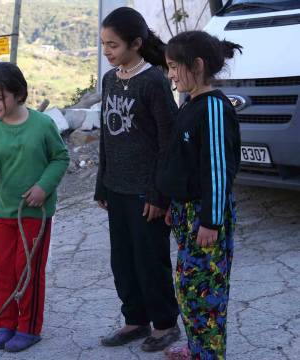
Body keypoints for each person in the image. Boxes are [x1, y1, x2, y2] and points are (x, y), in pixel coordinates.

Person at [94, 6, 180, 352]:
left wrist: (160, 195)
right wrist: (102, 183)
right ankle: (134, 320)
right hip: (116, 189)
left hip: (147, 193)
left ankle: (164, 324)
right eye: (103, 44)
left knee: (150, 260)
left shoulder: (154, 82)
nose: (107, 51)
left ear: (136, 43)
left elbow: (168, 142)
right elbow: (106, 137)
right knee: (123, 260)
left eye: (113, 45)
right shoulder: (111, 79)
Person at [0, 62, 70, 352]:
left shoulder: (42, 124)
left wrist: (43, 187)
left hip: (34, 213)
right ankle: (6, 323)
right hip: (1, 211)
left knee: (27, 269)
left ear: (17, 93)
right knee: (2, 269)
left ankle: (29, 327)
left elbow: (60, 158)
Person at [158, 31, 242, 360]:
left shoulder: (215, 109)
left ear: (197, 65)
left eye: (174, 67)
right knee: (189, 288)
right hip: (186, 212)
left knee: (207, 293)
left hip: (206, 217)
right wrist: (174, 203)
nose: (170, 74)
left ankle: (208, 355)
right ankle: (197, 348)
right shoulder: (191, 104)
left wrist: (210, 220)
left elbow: (218, 172)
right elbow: (184, 161)